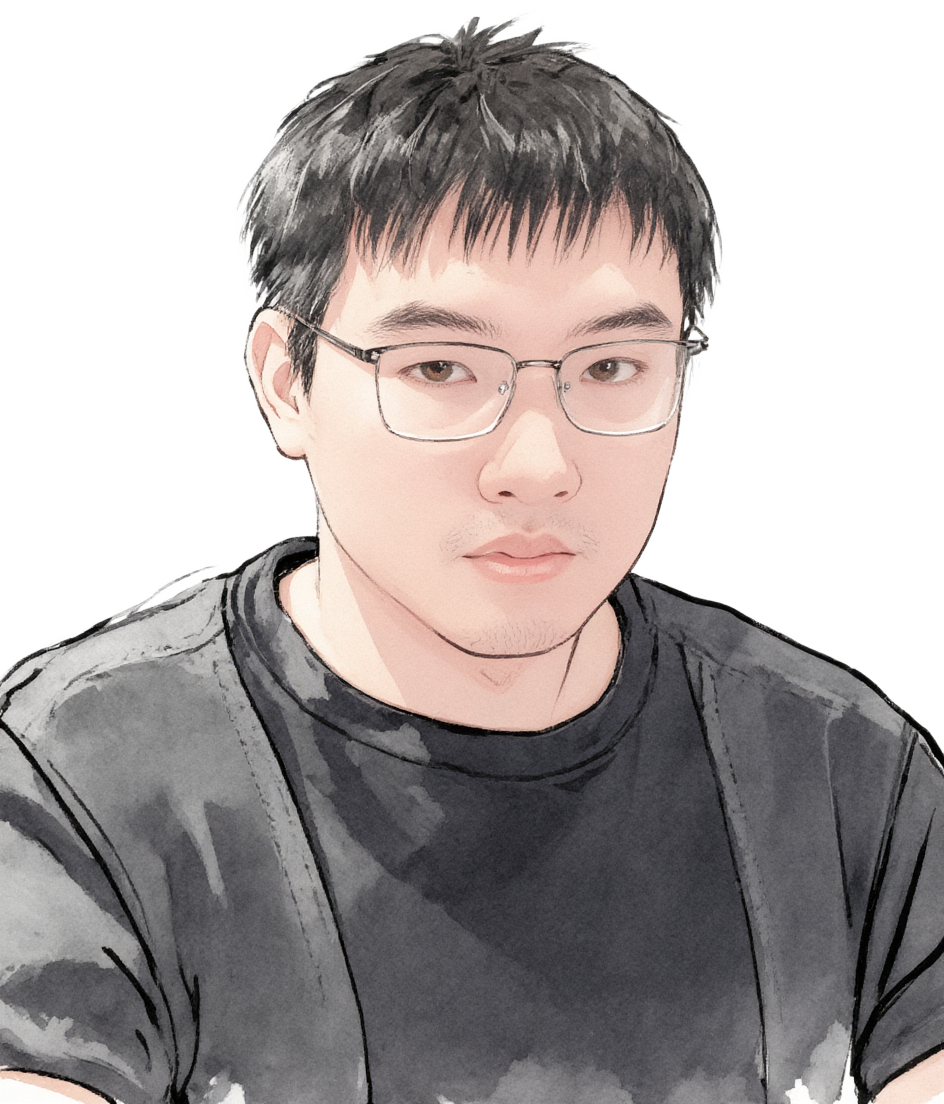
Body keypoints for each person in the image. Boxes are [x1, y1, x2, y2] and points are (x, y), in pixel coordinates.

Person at [1, 18, 941, 1104]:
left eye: (612, 367)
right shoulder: (80, 775)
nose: (538, 465)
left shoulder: (835, 771)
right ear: (285, 382)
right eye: (440, 367)